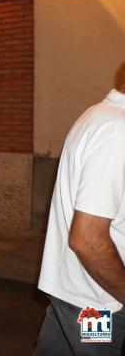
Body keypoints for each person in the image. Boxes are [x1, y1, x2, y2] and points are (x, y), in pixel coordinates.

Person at [34, 63, 125, 355]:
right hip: (97, 303)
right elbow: (87, 238)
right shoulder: (117, 130)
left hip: (72, 292)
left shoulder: (97, 115)